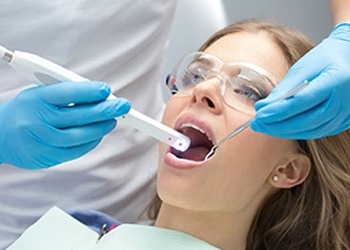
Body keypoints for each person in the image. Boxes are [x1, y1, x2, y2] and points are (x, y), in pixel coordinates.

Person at [11, 19, 350, 250]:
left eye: (248, 90)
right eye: (195, 74)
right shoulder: (74, 230)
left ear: (289, 170)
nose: (204, 89)